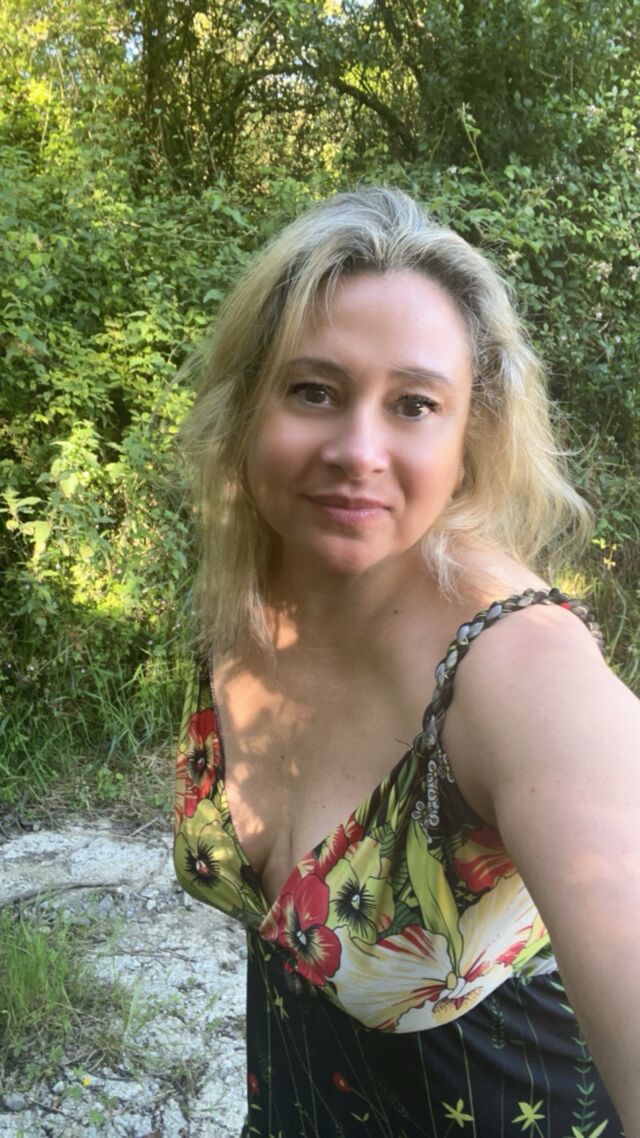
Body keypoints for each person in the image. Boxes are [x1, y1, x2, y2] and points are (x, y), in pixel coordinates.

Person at [173, 187, 640, 1138]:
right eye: (314, 390)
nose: (357, 451)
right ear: (247, 406)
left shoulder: (524, 673)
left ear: (470, 438)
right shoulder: (246, 601)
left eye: (415, 404)